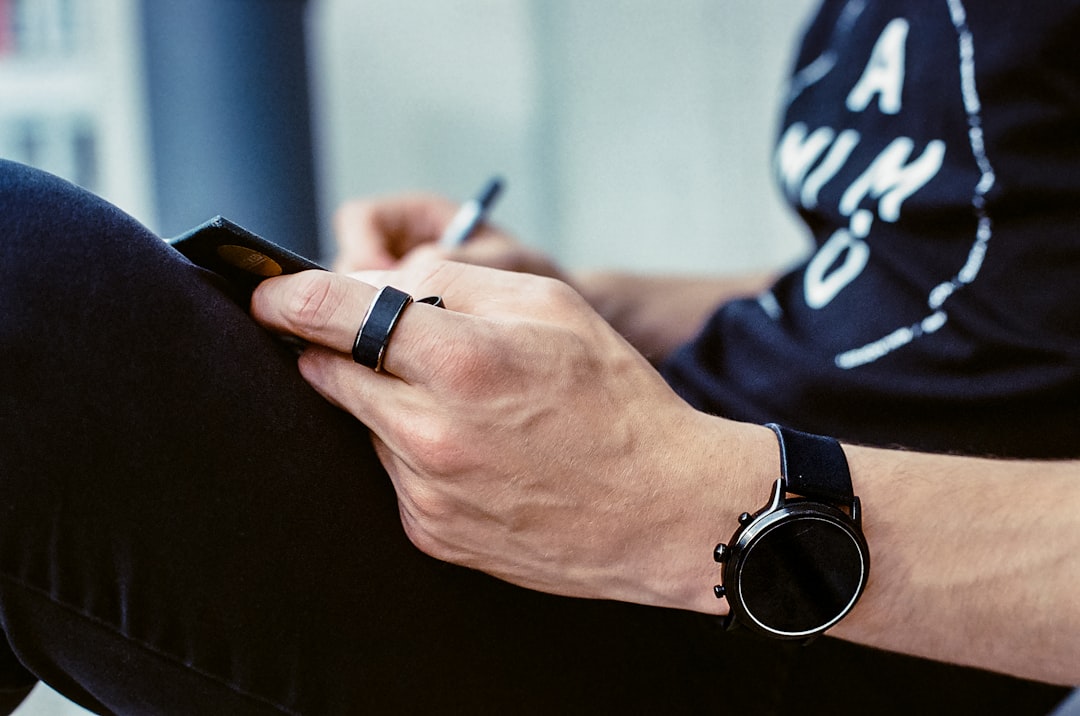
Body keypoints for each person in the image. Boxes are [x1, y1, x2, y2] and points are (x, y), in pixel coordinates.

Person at [0, 2, 1077, 716]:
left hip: (818, 620)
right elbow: (929, 267)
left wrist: (678, 501)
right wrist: (591, 306)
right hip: (708, 459)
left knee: (24, 282)